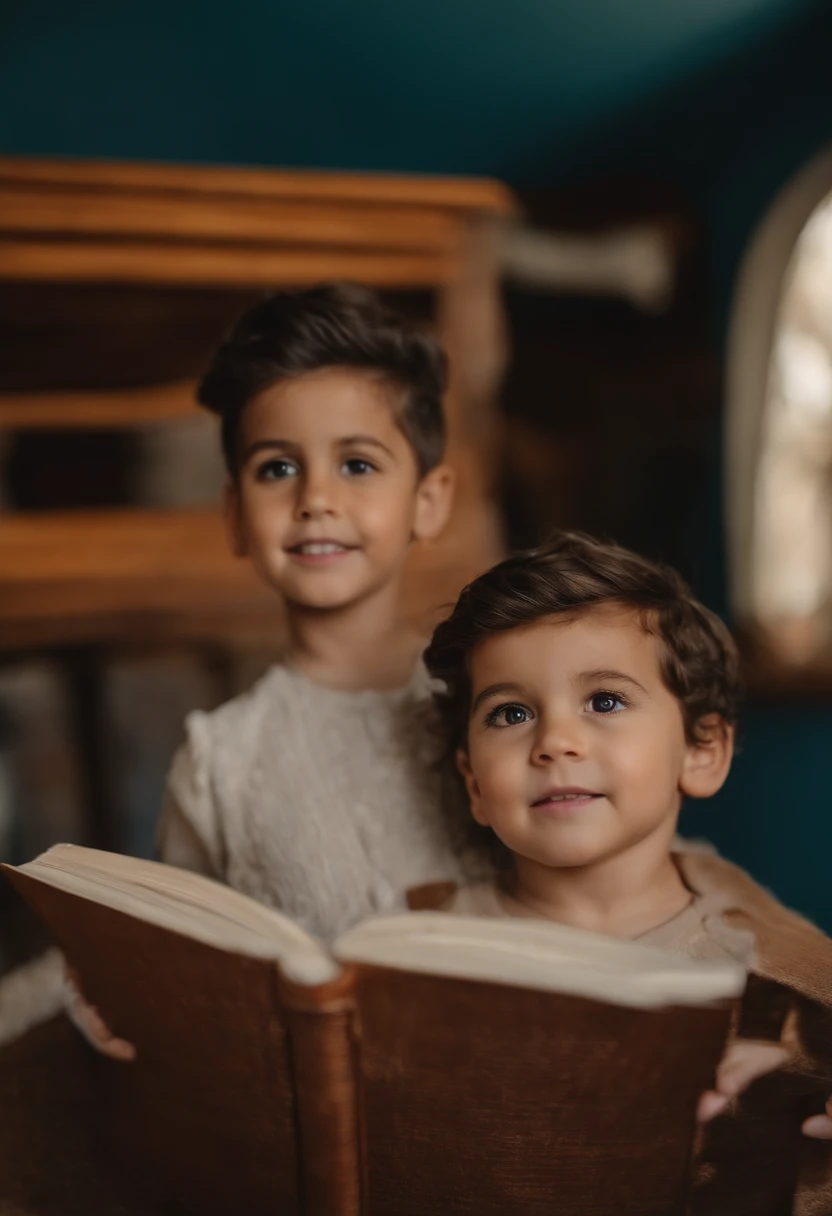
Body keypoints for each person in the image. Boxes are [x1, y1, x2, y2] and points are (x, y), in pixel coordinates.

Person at [0, 283, 482, 1053]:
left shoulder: (496, 700)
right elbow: (180, 963)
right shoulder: (221, 760)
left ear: (429, 499)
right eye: (276, 469)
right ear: (233, 517)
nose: (316, 498)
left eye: (357, 464)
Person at [421, 531, 832, 1214]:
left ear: (701, 751)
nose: (555, 741)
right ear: (473, 783)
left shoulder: (793, 990)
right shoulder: (410, 949)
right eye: (511, 712)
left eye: (605, 701)